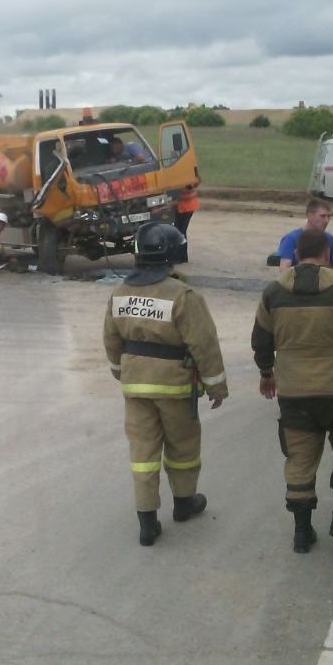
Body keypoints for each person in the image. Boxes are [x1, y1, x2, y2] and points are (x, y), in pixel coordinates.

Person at [252, 230, 333, 553]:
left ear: (296, 254)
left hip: (296, 393)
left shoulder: (273, 293)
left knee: (299, 461)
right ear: (326, 254)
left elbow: (261, 340)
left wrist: (267, 373)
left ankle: (302, 532)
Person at [103, 222, 228, 546]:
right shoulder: (184, 296)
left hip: (135, 386)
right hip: (174, 386)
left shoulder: (119, 293)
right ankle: (184, 502)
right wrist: (216, 386)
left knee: (142, 453)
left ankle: (147, 521)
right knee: (182, 447)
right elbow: (204, 343)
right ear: (174, 255)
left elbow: (111, 339)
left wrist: (121, 371)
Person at [276, 198, 333, 270]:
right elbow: (284, 269)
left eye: (329, 216)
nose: (326, 221)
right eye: (322, 216)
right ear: (309, 216)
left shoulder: (329, 239)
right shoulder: (291, 238)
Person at [174, 182, 199, 261]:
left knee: (180, 231)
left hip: (185, 208)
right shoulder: (188, 176)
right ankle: (182, 256)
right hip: (186, 207)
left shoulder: (184, 179)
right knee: (181, 231)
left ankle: (181, 256)